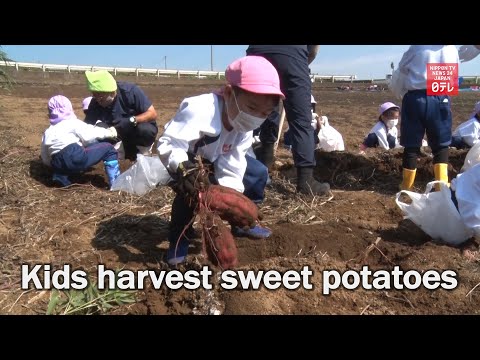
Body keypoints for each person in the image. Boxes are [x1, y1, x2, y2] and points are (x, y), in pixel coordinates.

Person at [157, 55, 284, 265]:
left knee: (256, 173)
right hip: (186, 159)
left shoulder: (244, 125)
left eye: (265, 113)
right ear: (228, 93)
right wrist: (183, 168)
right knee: (188, 198)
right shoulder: (201, 109)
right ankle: (179, 240)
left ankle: (242, 225)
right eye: (252, 108)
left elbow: (233, 159)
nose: (256, 117)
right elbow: (169, 143)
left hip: (216, 157)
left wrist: (230, 201)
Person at [245, 45, 330, 196]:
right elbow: (313, 49)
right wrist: (300, 62)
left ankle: (264, 163)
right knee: (301, 120)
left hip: (257, 53)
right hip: (292, 54)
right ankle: (305, 181)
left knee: (264, 108)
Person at [391, 45, 459, 191]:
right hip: (441, 95)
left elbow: (402, 68)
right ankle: (442, 187)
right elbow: (454, 72)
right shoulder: (452, 49)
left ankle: (406, 186)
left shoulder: (417, 47)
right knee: (441, 145)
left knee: (411, 144)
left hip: (416, 98)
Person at [40, 95, 120, 188]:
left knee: (64, 165)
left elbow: (44, 155)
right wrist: (109, 133)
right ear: (69, 109)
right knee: (109, 149)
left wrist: (52, 166)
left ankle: (60, 177)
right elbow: (89, 135)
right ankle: (115, 183)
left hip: (56, 162)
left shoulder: (48, 131)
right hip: (73, 154)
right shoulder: (71, 122)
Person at [83, 70, 158, 161]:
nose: (97, 99)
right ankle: (116, 154)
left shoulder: (130, 91)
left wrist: (132, 120)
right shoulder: (95, 102)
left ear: (112, 92)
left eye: (100, 96)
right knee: (99, 128)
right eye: (94, 95)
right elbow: (86, 127)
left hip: (136, 133)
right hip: (116, 137)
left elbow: (152, 114)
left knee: (146, 130)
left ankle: (144, 155)